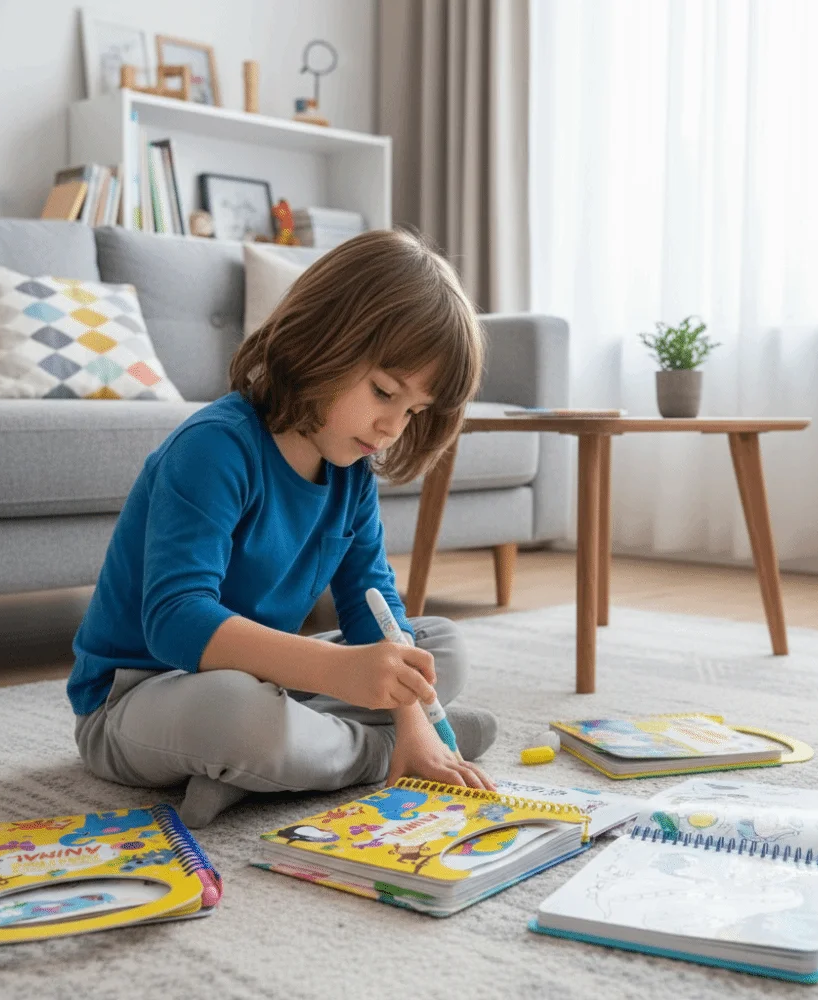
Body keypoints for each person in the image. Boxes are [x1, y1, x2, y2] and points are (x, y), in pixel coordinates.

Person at [68, 229, 498, 828]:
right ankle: (367, 756)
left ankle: (268, 771)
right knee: (238, 714)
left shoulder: (351, 472)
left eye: (414, 412)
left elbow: (373, 610)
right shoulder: (213, 448)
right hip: (139, 696)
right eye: (383, 392)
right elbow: (174, 621)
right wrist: (348, 680)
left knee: (437, 648)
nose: (392, 426)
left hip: (267, 680)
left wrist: (407, 711)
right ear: (321, 341)